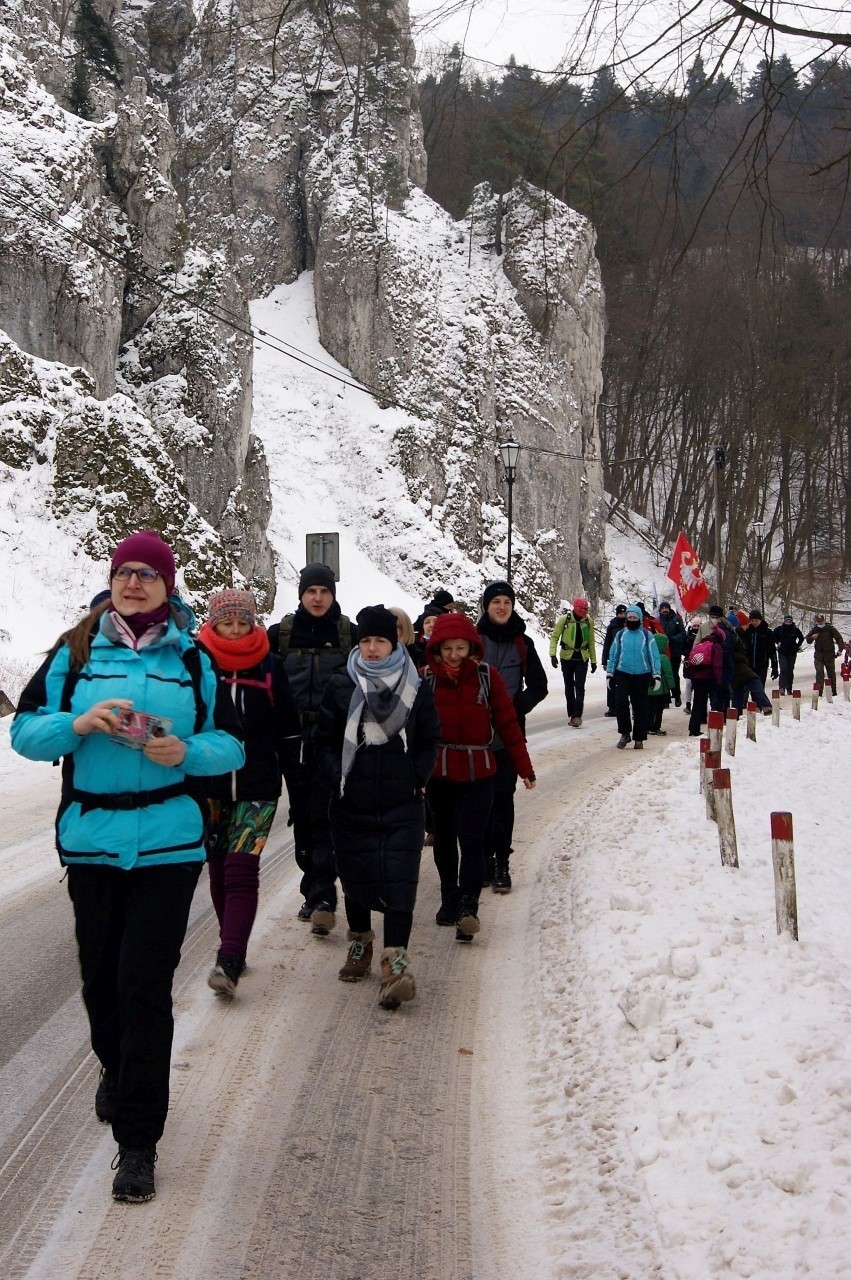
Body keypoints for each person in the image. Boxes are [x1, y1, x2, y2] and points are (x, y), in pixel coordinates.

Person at [10, 532, 244, 1204]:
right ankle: (116, 1066)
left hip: (169, 843)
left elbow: (229, 744)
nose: (134, 582)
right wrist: (77, 725)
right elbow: (24, 730)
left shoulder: (194, 660)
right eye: (124, 573)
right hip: (91, 840)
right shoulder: (75, 651)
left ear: (168, 586)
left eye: (147, 574)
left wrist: (186, 754)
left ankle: (138, 1144)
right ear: (111, 582)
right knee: (101, 984)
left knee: (144, 987)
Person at [314, 606, 440, 1009]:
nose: (371, 648)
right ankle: (360, 945)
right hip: (353, 800)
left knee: (401, 880)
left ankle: (396, 961)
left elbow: (429, 738)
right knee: (356, 874)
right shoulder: (341, 684)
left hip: (403, 802)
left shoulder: (416, 685)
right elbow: (324, 739)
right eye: (365, 640)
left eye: (379, 641)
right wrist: (340, 776)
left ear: (394, 642)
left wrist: (415, 777)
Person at [198, 589, 301, 997]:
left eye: (244, 622)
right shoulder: (199, 666)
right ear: (214, 624)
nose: (237, 630)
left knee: (241, 868)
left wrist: (299, 787)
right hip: (209, 786)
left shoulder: (270, 666)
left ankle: (229, 956)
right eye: (228, 623)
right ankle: (232, 942)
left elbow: (289, 731)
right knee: (219, 865)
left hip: (258, 786)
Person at [424, 612, 535, 942]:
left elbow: (509, 726)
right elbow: (412, 731)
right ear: (437, 649)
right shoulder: (425, 680)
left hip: (479, 771)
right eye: (447, 649)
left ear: (472, 648)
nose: (454, 655)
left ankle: (468, 907)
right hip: (439, 773)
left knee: (473, 840)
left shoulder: (489, 678)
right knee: (443, 839)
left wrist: (524, 768)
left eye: (461, 648)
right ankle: (449, 898)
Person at [267, 563, 356, 935]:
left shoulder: (349, 634)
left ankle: (322, 895)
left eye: (324, 591)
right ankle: (313, 887)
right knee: (302, 816)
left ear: (333, 594)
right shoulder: (280, 635)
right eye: (311, 591)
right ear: (301, 594)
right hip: (292, 740)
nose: (317, 598)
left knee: (325, 814)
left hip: (335, 739)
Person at [475, 581, 548, 892]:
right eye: (496, 602)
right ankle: (485, 862)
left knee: (503, 800)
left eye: (506, 601)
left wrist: (516, 706)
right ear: (486, 606)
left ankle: (502, 862)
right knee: (479, 802)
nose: (501, 606)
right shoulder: (473, 641)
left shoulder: (524, 644)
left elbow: (539, 685)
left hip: (507, 735)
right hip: (474, 735)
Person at [606, 603, 661, 749]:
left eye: (634, 617)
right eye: (629, 617)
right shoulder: (620, 635)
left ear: (640, 619)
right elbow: (614, 654)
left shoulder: (647, 635)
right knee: (621, 702)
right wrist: (610, 674)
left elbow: (654, 656)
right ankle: (625, 733)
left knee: (640, 706)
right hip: (623, 672)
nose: (631, 619)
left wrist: (656, 675)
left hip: (642, 674)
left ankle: (639, 737)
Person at [549, 597, 597, 726]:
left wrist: (593, 660)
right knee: (569, 686)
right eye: (584, 609)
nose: (586, 611)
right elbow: (555, 637)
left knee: (580, 686)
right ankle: (572, 713)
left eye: (587, 609)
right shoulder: (565, 619)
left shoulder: (588, 621)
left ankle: (577, 715)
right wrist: (552, 654)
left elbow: (591, 641)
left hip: (582, 657)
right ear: (576, 609)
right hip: (567, 657)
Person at [727, 615, 772, 714]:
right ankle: (766, 705)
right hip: (739, 665)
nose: (749, 626)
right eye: (747, 624)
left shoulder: (739, 634)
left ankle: (735, 713)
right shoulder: (735, 634)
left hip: (738, 665)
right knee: (754, 681)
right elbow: (733, 651)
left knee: (738, 689)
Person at [805, 614, 844, 696]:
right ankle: (819, 693)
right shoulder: (815, 630)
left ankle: (833, 692)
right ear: (816, 622)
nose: (820, 623)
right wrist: (812, 637)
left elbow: (839, 638)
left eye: (821, 621)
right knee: (819, 673)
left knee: (831, 674)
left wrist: (840, 649)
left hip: (829, 654)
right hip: (819, 655)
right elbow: (808, 639)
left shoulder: (830, 628)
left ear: (824, 620)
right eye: (819, 621)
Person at [657, 601, 687, 706]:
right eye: (663, 608)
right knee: (663, 674)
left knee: (674, 674)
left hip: (674, 651)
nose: (664, 610)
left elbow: (683, 634)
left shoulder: (676, 619)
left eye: (666, 608)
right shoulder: (658, 620)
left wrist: (672, 639)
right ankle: (666, 698)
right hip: (662, 652)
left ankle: (677, 695)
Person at [600, 605, 627, 716]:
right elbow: (607, 643)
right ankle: (612, 706)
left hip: (625, 658)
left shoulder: (628, 625)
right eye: (620, 613)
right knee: (611, 682)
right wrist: (604, 660)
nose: (622, 615)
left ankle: (623, 704)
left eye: (623, 613)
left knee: (624, 683)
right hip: (614, 657)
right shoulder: (612, 626)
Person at [742, 609, 778, 688]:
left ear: (760, 620)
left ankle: (759, 700)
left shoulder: (767, 632)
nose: (754, 623)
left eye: (756, 620)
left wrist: (774, 666)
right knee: (750, 687)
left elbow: (772, 650)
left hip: (762, 665)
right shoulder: (747, 632)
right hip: (749, 665)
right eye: (752, 620)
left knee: (759, 687)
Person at [647, 632, 675, 734]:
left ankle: (648, 726)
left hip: (649, 688)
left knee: (649, 708)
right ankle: (655, 727)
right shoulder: (664, 658)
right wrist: (672, 688)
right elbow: (668, 674)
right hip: (660, 688)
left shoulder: (648, 657)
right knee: (658, 709)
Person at [773, 614, 805, 694]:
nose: (788, 622)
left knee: (790, 670)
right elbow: (773, 636)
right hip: (782, 652)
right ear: (784, 621)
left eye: (789, 621)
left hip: (792, 653)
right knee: (783, 669)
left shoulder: (795, 630)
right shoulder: (780, 629)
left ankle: (789, 688)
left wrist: (797, 646)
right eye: (786, 621)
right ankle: (781, 687)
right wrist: (778, 642)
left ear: (792, 621)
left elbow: (801, 638)